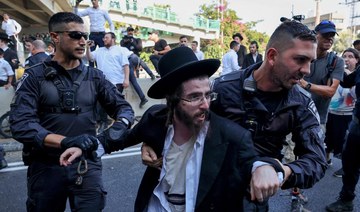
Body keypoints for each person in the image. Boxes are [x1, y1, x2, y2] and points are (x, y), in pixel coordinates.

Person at [61, 47, 281, 211]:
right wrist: (86, 147)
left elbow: (255, 174)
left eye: (207, 94)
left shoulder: (231, 135)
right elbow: (116, 139)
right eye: (194, 97)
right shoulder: (155, 119)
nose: (205, 104)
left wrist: (264, 167)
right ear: (172, 99)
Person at [9, 12, 134, 212]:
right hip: (46, 167)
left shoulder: (95, 77)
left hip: (86, 164)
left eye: (85, 36)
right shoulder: (34, 76)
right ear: (55, 37)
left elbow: (124, 109)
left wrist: (114, 131)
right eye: (75, 35)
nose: (83, 41)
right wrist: (64, 141)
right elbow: (21, 124)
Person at [209, 20, 327, 211]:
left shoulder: (302, 103)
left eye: (310, 61)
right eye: (300, 59)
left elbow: (317, 160)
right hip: (210, 191)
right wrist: (152, 136)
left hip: (254, 200)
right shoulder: (223, 88)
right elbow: (185, 113)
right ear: (272, 56)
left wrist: (280, 170)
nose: (307, 70)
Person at [300, 20, 344, 165]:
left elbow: (330, 91)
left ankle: (299, 186)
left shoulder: (336, 62)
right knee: (289, 158)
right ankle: (294, 187)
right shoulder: (301, 55)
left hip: (317, 120)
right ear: (315, 35)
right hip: (294, 115)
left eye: (332, 35)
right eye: (326, 35)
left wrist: (305, 84)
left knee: (310, 159)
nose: (329, 38)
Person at [325, 52, 360, 212]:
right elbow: (347, 82)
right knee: (350, 162)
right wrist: (335, 67)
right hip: (357, 124)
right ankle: (346, 200)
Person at [74, 0, 114, 67]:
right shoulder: (89, 10)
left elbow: (111, 23)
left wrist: (112, 33)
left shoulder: (103, 11)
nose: (93, 1)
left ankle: (101, 70)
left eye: (95, 0)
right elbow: (77, 14)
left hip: (101, 35)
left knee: (103, 53)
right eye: (92, 0)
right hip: (93, 35)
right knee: (90, 53)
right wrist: (77, 4)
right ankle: (91, 71)